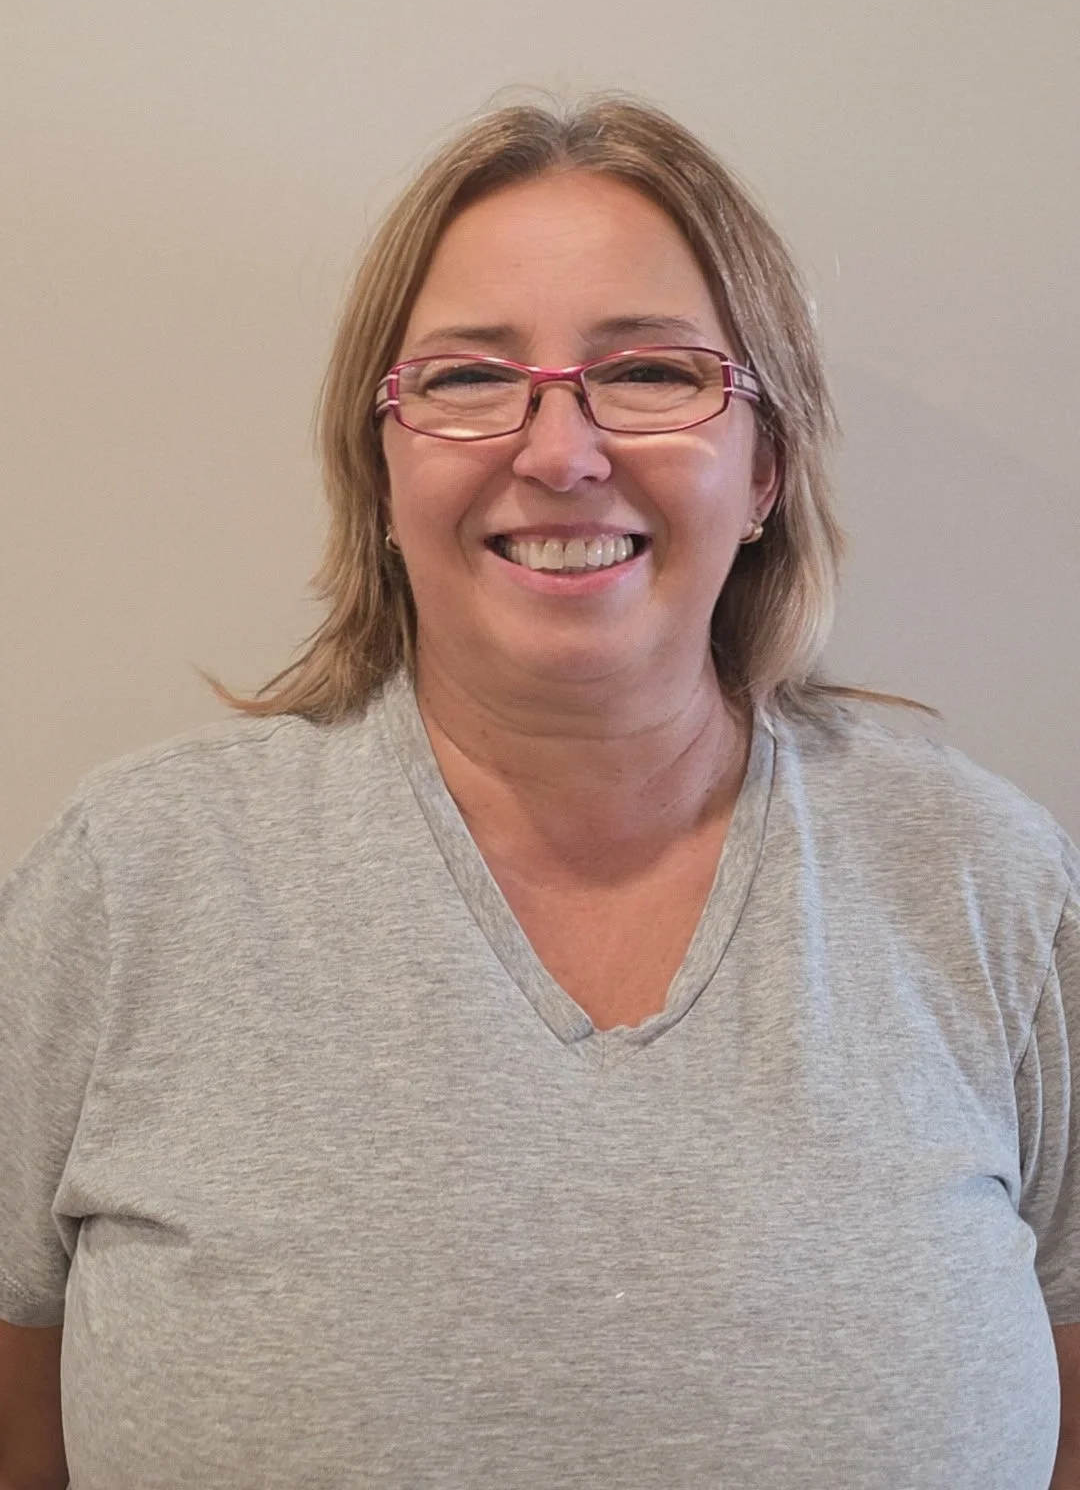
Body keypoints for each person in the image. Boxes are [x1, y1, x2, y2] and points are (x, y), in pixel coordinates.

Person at [1, 94, 1077, 1490]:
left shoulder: (986, 881)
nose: (560, 453)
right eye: (462, 379)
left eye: (651, 373)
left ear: (767, 466)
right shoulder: (130, 881)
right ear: (376, 465)